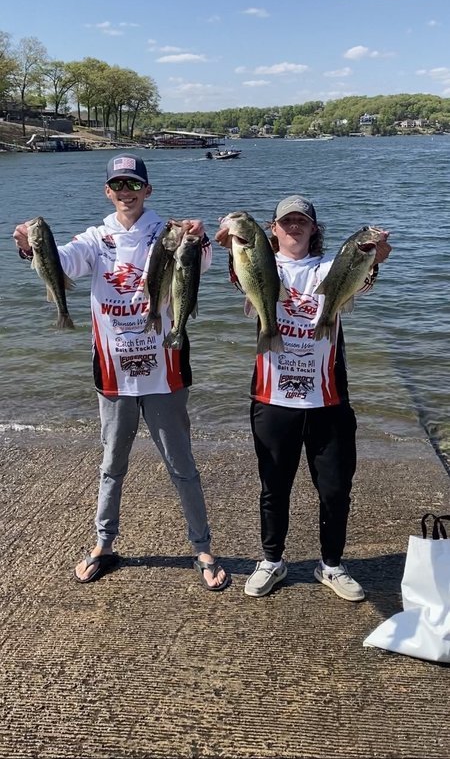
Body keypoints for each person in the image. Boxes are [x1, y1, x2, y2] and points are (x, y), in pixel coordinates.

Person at [13, 154, 230, 591]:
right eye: (118, 184)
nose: (126, 191)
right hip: (113, 373)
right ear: (107, 192)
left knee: (182, 465)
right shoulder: (96, 237)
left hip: (166, 371)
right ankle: (103, 543)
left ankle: (203, 547)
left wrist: (200, 237)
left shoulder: (167, 232)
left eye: (133, 183)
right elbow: (62, 261)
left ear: (147, 189)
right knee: (112, 465)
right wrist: (28, 245)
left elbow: (200, 264)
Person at [215, 195, 391, 600]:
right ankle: (271, 561)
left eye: (302, 221)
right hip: (272, 396)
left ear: (314, 229)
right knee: (273, 487)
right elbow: (239, 275)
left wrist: (375, 258)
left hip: (328, 398)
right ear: (272, 229)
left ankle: (331, 565)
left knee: (335, 489)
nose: (294, 226)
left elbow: (362, 279)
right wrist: (229, 247)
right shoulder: (261, 260)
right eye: (286, 221)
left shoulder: (330, 267)